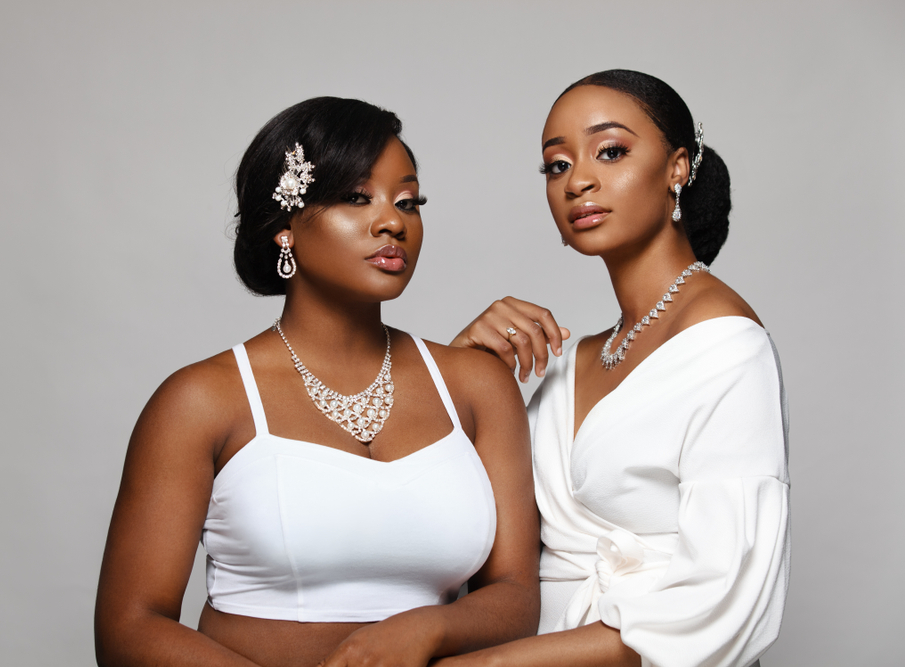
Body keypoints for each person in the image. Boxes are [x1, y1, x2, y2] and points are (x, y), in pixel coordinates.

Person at [94, 97, 540, 667]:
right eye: (357, 197)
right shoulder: (202, 401)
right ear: (285, 227)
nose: (393, 222)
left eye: (408, 201)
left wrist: (426, 629)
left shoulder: (477, 386)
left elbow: (515, 596)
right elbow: (129, 628)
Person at [445, 70, 790, 667]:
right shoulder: (570, 363)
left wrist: (491, 664)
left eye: (610, 151)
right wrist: (464, 374)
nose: (577, 181)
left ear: (677, 168)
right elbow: (474, 538)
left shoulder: (725, 346)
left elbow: (722, 599)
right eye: (556, 165)